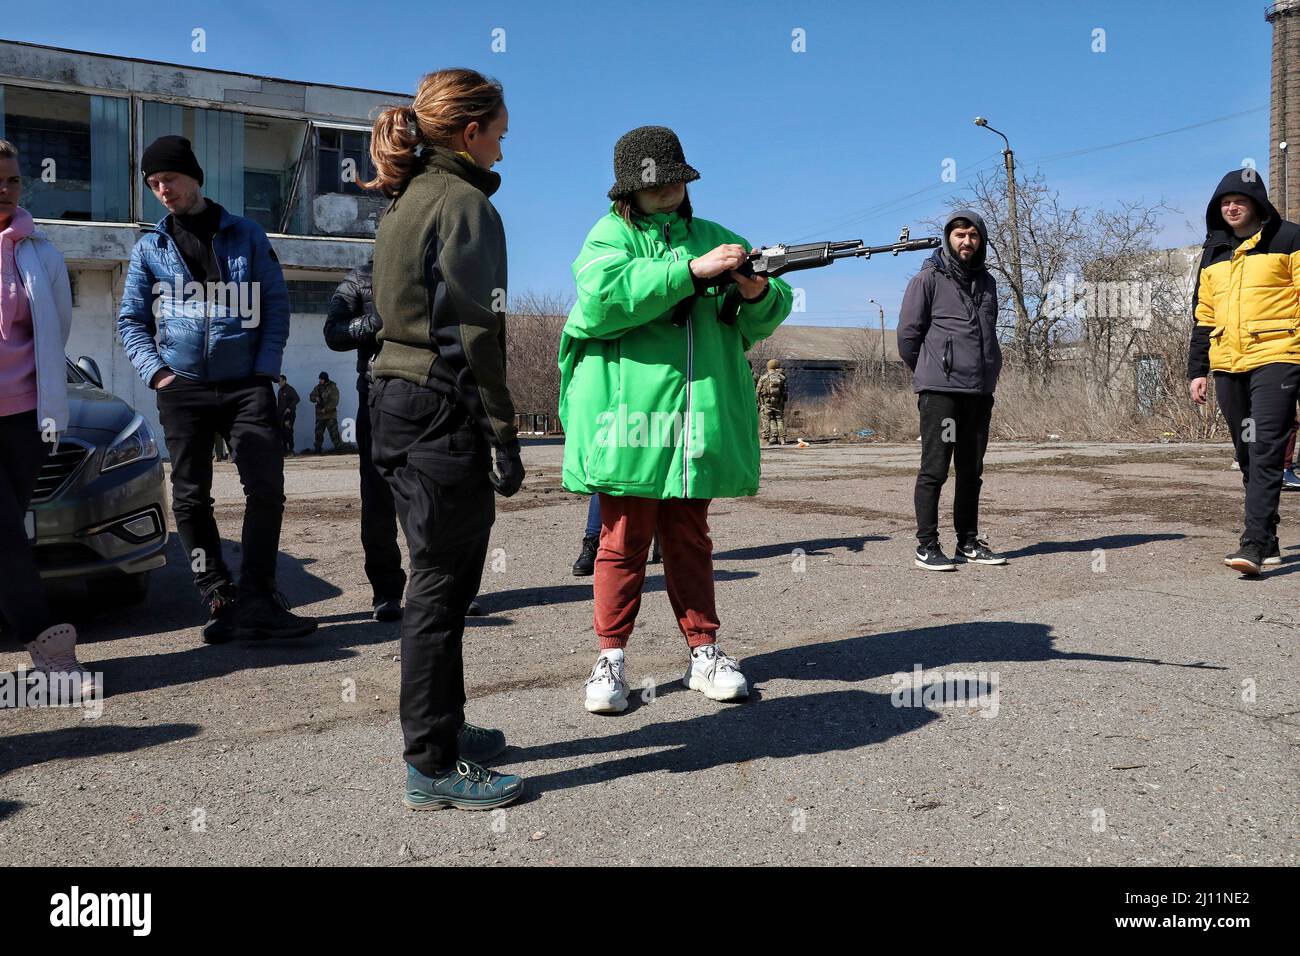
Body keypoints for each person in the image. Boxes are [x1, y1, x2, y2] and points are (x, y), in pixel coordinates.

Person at [560, 125, 794, 715]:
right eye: (654, 185)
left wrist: (752, 288)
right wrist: (689, 273)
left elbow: (765, 316)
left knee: (690, 539)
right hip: (630, 420)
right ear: (627, 193)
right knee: (621, 541)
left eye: (674, 181)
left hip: (697, 419)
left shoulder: (720, 239)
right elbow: (603, 296)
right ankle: (610, 658)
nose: (666, 192)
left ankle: (704, 652)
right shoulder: (608, 237)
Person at [365, 68, 524, 810]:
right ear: (469, 132)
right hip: (437, 406)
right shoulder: (463, 204)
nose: (503, 143)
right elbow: (477, 329)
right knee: (437, 585)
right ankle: (430, 763)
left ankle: (447, 729)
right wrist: (503, 429)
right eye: (497, 131)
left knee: (443, 580)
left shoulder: (406, 200)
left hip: (395, 400)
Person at [117, 135, 317, 643]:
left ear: (195, 177)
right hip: (181, 388)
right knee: (189, 496)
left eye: (171, 179)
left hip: (246, 385)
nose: (163, 190)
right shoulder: (150, 249)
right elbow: (131, 321)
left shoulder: (246, 234)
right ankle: (219, 597)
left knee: (266, 487)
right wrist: (157, 374)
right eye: (154, 183)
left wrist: (265, 370)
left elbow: (275, 305)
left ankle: (259, 596)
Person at [0, 138, 93, 696]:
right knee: (3, 533)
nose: (5, 190)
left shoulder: (43, 253)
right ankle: (51, 647)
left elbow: (56, 328)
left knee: (7, 533)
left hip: (24, 419)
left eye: (12, 180)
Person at [1188, 169, 1300, 574]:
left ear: (1257, 204)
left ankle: (1252, 543)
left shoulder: (1288, 238)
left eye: (1240, 200)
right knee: (1247, 448)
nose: (1231, 207)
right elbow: (1203, 314)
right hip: (1229, 364)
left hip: (1278, 358)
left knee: (1267, 446)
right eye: (1224, 202)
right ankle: (1268, 535)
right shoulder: (1215, 251)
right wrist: (1197, 369)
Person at [897, 209, 1006, 571]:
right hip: (941, 393)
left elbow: (988, 333)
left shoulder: (987, 282)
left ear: (980, 241)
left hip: (978, 393)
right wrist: (931, 370)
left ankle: (968, 543)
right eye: (959, 235)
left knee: (971, 471)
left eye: (973, 235)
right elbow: (908, 337)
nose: (966, 241)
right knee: (936, 469)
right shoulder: (927, 279)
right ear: (948, 238)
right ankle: (927, 545)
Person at [324, 261, 407, 621]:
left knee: (434, 500)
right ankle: (387, 592)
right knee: (377, 501)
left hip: (434, 397)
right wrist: (375, 323)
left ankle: (442, 588)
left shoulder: (439, 267)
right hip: (376, 399)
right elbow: (334, 333)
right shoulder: (360, 278)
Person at [756, 357, 788, 445]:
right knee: (779, 419)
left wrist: (759, 402)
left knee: (766, 420)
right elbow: (785, 391)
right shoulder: (782, 377)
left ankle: (765, 439)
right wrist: (782, 401)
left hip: (767, 403)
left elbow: (757, 391)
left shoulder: (764, 377)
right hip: (778, 403)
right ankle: (782, 439)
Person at [309, 371, 342, 453]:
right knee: (318, 434)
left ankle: (339, 449)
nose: (320, 381)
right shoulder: (318, 387)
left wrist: (326, 409)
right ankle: (318, 449)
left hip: (330, 415)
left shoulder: (332, 387)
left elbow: (335, 401)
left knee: (334, 433)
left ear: (325, 379)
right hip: (320, 415)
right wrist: (315, 398)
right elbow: (311, 397)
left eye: (321, 379)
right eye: (319, 379)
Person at [276, 374, 299, 455]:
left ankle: (291, 450)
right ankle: (284, 450)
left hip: (289, 415)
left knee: (288, 432)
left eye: (280, 381)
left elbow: (297, 399)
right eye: (278, 381)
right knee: (282, 433)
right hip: (281, 416)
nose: (278, 383)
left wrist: (289, 408)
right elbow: (279, 404)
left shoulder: (289, 389)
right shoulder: (279, 391)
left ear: (284, 381)